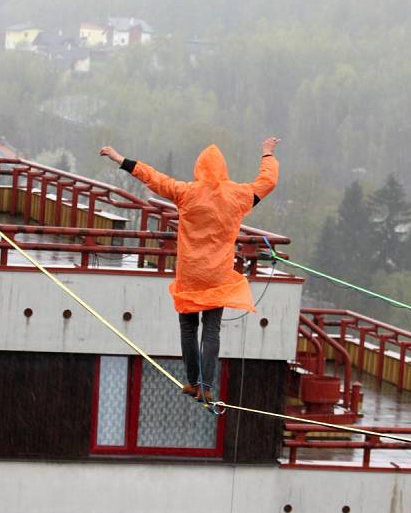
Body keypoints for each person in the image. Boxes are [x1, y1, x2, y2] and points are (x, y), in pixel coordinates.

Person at [100, 138, 280, 401]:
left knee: (188, 328)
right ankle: (206, 387)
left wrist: (120, 160)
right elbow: (268, 182)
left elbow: (154, 179)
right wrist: (267, 154)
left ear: (199, 169)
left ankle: (193, 382)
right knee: (211, 330)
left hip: (190, 275)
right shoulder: (238, 196)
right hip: (217, 275)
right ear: (223, 170)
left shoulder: (186, 193)